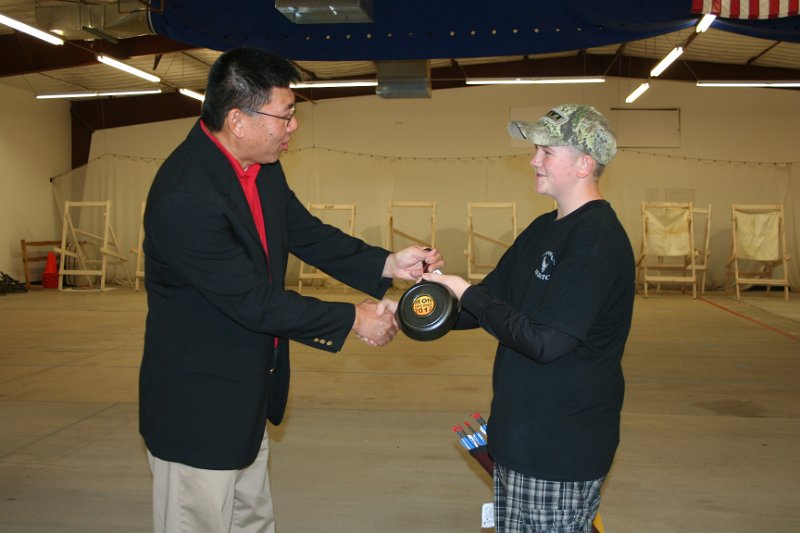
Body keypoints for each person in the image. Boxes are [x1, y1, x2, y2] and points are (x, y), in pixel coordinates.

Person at [139, 47, 443, 533]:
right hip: (198, 406)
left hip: (247, 395)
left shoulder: (260, 165)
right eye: (286, 114)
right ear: (238, 120)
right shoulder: (186, 197)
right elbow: (252, 302)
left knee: (253, 520)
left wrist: (388, 263)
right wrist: (354, 318)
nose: (293, 126)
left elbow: (304, 232)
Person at [423, 104, 634, 532]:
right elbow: (487, 304)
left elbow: (545, 341)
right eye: (535, 150)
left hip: (559, 448)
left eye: (547, 151)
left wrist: (466, 292)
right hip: (519, 439)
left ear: (584, 164)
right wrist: (422, 300)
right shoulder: (543, 228)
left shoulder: (596, 241)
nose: (534, 160)